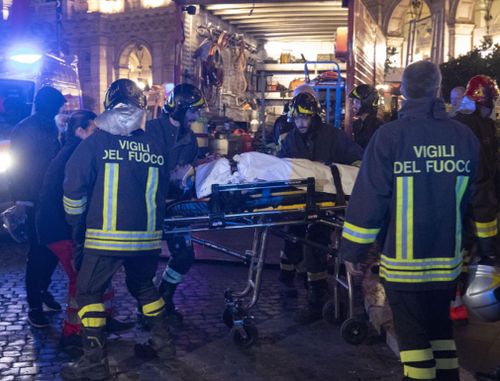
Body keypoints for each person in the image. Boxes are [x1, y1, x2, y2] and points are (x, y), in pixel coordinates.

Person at [341, 60, 481, 381]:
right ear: (438, 89)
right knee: (441, 335)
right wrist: (479, 250)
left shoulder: (389, 137)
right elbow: (477, 200)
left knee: (415, 344)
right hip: (447, 263)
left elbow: (369, 199)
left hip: (405, 266)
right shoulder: (464, 138)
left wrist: (353, 252)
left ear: (403, 91)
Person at [61, 79, 174, 380]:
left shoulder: (96, 143)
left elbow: (73, 186)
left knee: (87, 293)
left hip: (104, 239)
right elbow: (164, 188)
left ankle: (95, 362)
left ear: (108, 107)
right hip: (147, 239)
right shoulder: (155, 146)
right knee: (144, 287)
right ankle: (163, 344)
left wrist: (76, 224)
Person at [35, 110, 134, 351]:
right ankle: (72, 333)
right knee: (81, 281)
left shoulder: (72, 150)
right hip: (62, 230)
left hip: (63, 227)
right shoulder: (76, 154)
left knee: (100, 272)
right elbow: (75, 195)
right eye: (94, 129)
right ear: (80, 131)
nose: (98, 134)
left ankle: (103, 320)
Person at [278, 92, 363, 323]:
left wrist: (353, 176)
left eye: (305, 119)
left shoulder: (334, 137)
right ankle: (292, 276)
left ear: (315, 117)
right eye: (296, 119)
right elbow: (282, 166)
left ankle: (316, 298)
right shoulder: (290, 140)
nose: (301, 124)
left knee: (317, 244)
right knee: (293, 241)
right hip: (297, 202)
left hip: (326, 202)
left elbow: (357, 158)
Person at [146, 83, 205, 326]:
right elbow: (139, 169)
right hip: (149, 206)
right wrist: (167, 175)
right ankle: (148, 311)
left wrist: (188, 183)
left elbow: (188, 171)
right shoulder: (150, 131)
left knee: (184, 255)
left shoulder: (190, 139)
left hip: (176, 206)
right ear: (180, 109)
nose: (196, 117)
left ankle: (165, 296)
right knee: (145, 263)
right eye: (193, 111)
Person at [9, 86, 66, 328]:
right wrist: (21, 200)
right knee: (38, 253)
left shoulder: (48, 126)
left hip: (49, 198)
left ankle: (42, 291)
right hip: (34, 199)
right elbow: (19, 168)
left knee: (52, 250)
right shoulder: (26, 128)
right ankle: (34, 304)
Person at [454, 75, 499, 265]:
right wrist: (488, 249)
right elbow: (480, 180)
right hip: (476, 205)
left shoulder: (481, 124)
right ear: (483, 101)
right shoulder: (470, 127)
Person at [348, 84, 384, 149]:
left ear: (367, 103)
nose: (353, 106)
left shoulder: (378, 127)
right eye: (353, 102)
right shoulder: (357, 124)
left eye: (356, 102)